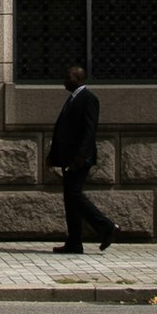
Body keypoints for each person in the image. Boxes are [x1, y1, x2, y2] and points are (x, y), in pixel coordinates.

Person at [47, 64, 115, 255]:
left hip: (79, 159)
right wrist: (53, 155)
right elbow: (64, 130)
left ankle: (106, 227)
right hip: (68, 158)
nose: (64, 79)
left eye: (68, 76)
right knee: (70, 198)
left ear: (78, 79)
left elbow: (89, 131)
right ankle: (74, 242)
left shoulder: (88, 99)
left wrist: (80, 157)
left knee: (74, 194)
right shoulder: (72, 99)